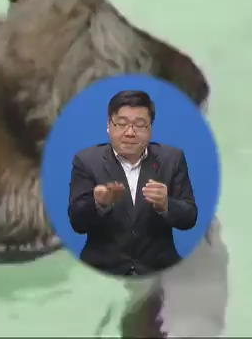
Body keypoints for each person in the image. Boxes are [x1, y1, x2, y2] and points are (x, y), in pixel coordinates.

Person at [67, 89, 198, 276]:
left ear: (150, 128)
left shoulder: (172, 159)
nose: (130, 133)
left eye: (139, 125)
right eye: (121, 124)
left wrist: (166, 204)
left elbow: (189, 217)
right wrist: (97, 204)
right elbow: (77, 223)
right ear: (108, 126)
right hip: (102, 270)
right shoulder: (87, 161)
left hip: (159, 271)